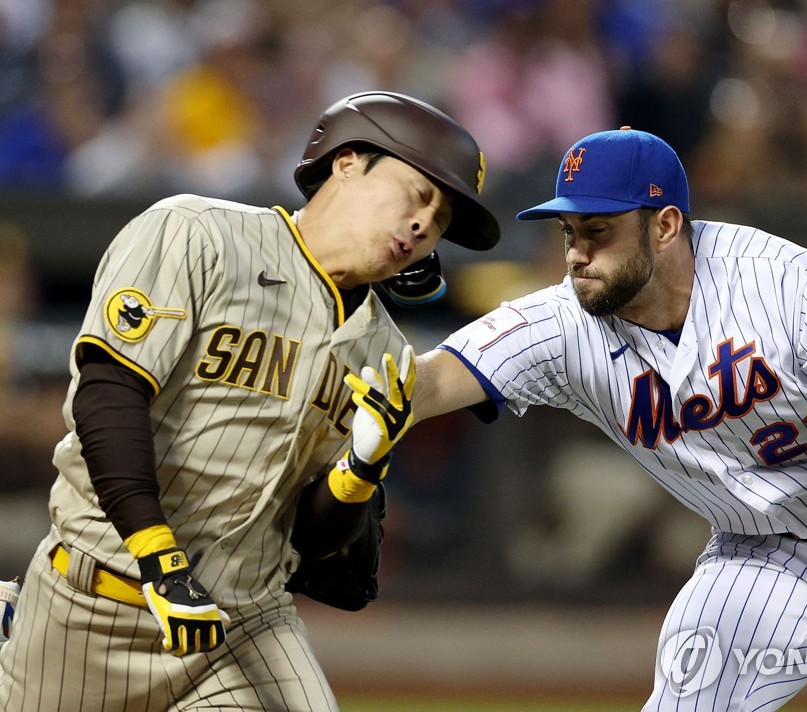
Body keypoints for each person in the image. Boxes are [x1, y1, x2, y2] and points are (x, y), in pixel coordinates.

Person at [412, 127, 807, 710]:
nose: (576, 254)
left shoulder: (786, 283)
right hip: (758, 556)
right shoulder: (563, 322)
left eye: (597, 230)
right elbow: (430, 381)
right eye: (569, 231)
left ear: (666, 225)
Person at [0, 90, 500, 711]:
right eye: (419, 194)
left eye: (443, 219)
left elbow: (328, 561)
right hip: (93, 603)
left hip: (245, 622)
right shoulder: (197, 233)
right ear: (347, 162)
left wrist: (362, 469)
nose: (427, 225)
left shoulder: (384, 353)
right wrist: (162, 559)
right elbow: (109, 396)